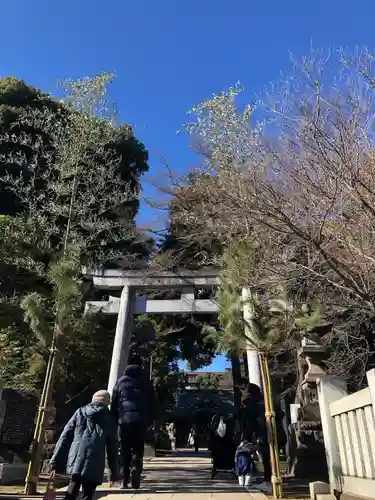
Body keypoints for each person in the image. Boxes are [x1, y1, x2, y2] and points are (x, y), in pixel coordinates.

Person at [50, 390, 118, 500]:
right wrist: (112, 473)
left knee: (73, 487)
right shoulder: (109, 418)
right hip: (95, 459)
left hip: (76, 457)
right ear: (107, 402)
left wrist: (55, 460)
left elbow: (65, 436)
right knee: (88, 493)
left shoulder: (80, 412)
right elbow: (112, 448)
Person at [111, 354, 155, 490]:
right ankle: (136, 463)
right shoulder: (146, 382)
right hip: (141, 420)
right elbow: (153, 403)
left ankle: (125, 481)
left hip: (124, 420)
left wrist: (114, 418)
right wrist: (151, 420)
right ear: (141, 366)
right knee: (138, 447)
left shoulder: (120, 381)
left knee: (124, 449)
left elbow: (114, 401)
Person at [241, 383, 272, 494]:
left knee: (266, 458)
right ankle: (269, 479)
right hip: (271, 431)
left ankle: (268, 482)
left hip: (261, 433)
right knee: (269, 457)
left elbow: (250, 421)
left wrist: (247, 438)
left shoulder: (250, 402)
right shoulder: (266, 401)